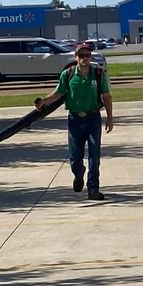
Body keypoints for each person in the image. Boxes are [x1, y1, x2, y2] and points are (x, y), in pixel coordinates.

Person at [37, 41, 113, 198]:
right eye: (81, 55)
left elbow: (106, 96)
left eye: (87, 55)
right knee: (75, 156)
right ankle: (78, 175)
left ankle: (93, 189)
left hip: (93, 118)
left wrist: (110, 118)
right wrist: (44, 101)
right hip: (75, 120)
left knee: (94, 154)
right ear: (76, 57)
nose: (85, 58)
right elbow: (58, 93)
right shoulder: (68, 74)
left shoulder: (98, 74)